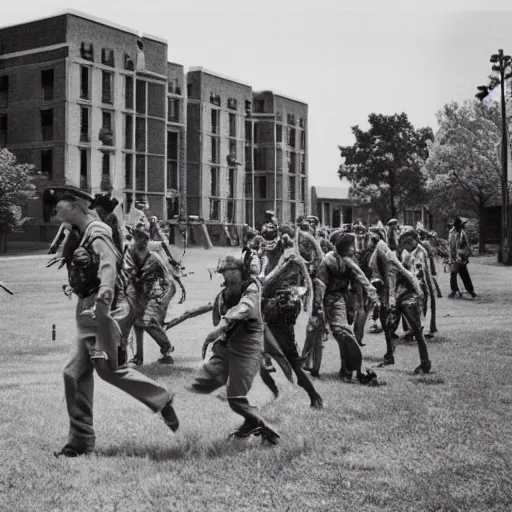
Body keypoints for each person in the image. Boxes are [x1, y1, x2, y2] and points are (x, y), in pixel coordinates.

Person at [44, 186, 178, 458]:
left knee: (107, 369)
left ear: (77, 204)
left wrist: (104, 294)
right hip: (88, 306)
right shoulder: (81, 233)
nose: (55, 212)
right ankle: (80, 443)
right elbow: (89, 266)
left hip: (101, 307)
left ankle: (161, 398)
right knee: (74, 373)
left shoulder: (97, 230)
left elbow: (108, 263)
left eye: (59, 206)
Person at [187, 256, 280, 444]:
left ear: (241, 272)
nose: (228, 277)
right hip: (226, 344)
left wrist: (223, 324)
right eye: (225, 274)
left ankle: (263, 425)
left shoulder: (251, 289)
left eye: (232, 273)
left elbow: (244, 309)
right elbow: (218, 316)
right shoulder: (224, 294)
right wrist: (220, 321)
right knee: (202, 381)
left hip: (247, 346)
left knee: (235, 397)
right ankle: (250, 422)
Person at [259, 223, 323, 409]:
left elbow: (270, 282)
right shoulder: (270, 256)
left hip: (281, 310)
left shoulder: (290, 258)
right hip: (274, 311)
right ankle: (284, 393)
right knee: (265, 355)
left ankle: (313, 395)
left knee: (289, 357)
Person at [317, 232, 379, 384]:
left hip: (346, 298)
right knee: (341, 333)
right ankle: (356, 369)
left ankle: (347, 371)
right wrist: (318, 308)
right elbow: (320, 285)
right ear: (344, 246)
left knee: (344, 336)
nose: (354, 249)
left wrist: (364, 298)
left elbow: (359, 279)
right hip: (332, 299)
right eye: (352, 246)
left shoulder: (350, 261)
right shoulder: (328, 261)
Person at [124, 224, 176, 366]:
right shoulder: (130, 252)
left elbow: (168, 279)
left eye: (143, 238)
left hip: (156, 293)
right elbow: (128, 273)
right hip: (138, 293)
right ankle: (138, 356)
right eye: (138, 237)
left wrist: (161, 297)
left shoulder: (153, 257)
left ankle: (166, 348)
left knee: (146, 322)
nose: (140, 241)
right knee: (137, 324)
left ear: (147, 241)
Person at [448, 217, 476, 298]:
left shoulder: (463, 234)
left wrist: (466, 256)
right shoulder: (451, 233)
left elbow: (468, 246)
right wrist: (450, 258)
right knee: (453, 274)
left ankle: (470, 290)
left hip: (461, 257)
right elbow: (450, 246)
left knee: (464, 274)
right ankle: (454, 290)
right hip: (453, 257)